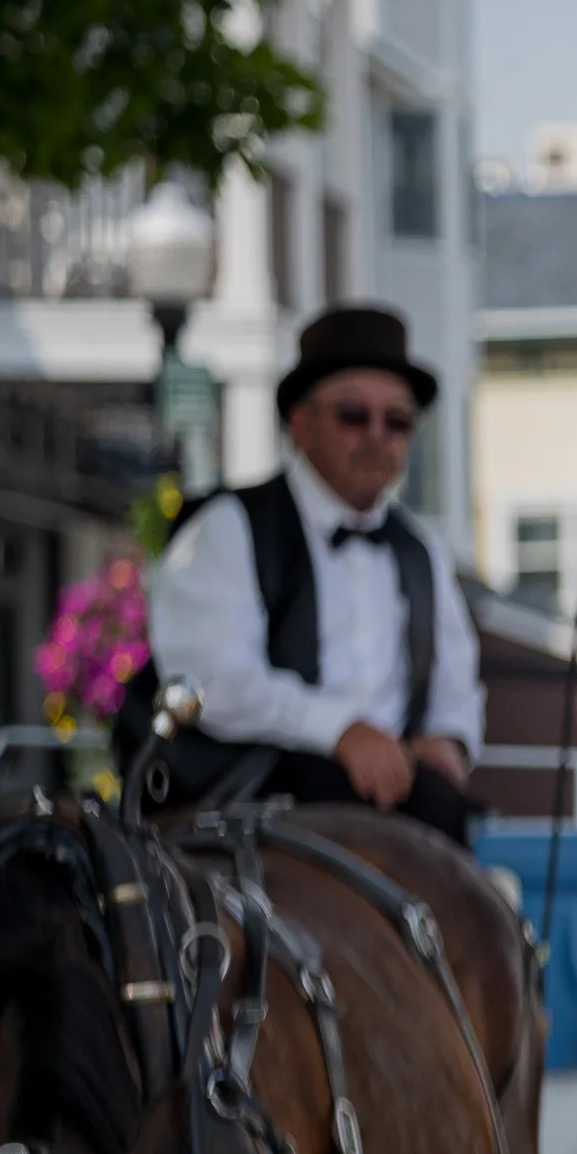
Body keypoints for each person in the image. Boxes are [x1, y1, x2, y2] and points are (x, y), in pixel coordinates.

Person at [138, 303, 483, 842]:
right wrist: (339, 731)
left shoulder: (422, 552)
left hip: (398, 793)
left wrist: (449, 740)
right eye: (353, 416)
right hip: (254, 789)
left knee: (449, 830)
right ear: (301, 424)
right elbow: (213, 679)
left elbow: (456, 682)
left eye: (397, 421)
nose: (377, 436)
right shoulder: (230, 527)